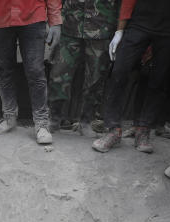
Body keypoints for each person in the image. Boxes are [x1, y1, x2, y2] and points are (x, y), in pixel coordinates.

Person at [91, 0, 170, 154]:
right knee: (119, 71)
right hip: (139, 24)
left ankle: (143, 129)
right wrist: (119, 31)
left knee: (159, 80)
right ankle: (113, 130)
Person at [0, 0, 63, 144]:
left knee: (35, 71)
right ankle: (9, 117)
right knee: (4, 71)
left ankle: (41, 123)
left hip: (33, 17)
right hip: (0, 19)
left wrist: (55, 22)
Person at [48, 0, 121, 137]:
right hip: (70, 24)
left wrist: (120, 30)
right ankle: (54, 119)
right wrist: (55, 21)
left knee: (96, 78)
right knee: (58, 74)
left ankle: (86, 122)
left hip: (101, 28)